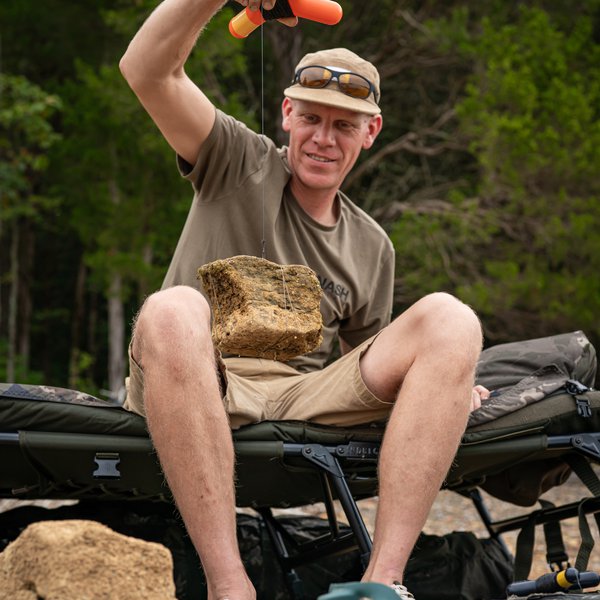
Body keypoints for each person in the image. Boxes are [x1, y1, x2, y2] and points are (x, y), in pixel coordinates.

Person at [119, 1, 489, 598]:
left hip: (299, 395)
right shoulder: (234, 160)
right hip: (196, 376)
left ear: (370, 132)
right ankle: (229, 586)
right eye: (312, 117)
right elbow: (146, 71)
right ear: (286, 113)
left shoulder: (372, 245)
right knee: (171, 309)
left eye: (344, 124)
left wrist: (443, 382)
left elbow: (366, 365)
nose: (324, 137)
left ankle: (383, 583)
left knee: (451, 318)